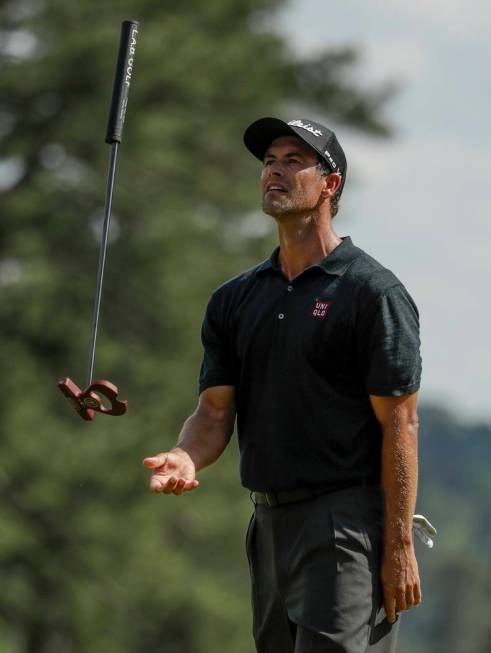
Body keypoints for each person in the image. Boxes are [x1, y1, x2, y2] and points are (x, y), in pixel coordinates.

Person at [143, 117, 422, 653]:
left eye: (294, 160)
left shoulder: (373, 293)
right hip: (268, 524)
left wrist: (399, 544)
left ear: (330, 183)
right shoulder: (235, 298)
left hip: (345, 525)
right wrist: (186, 456)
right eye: (270, 160)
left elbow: (401, 424)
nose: (275, 170)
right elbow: (215, 412)